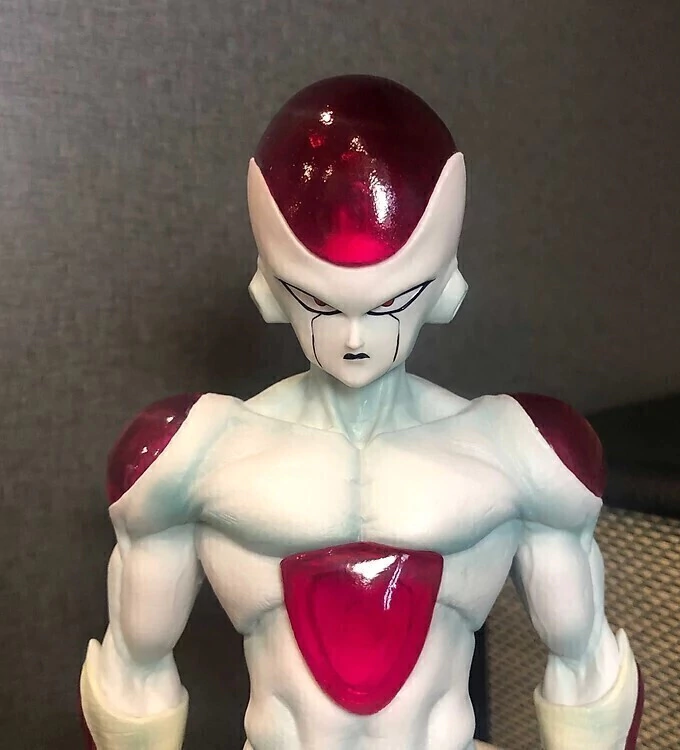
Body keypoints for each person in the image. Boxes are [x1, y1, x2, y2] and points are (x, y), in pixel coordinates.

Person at [80, 75, 643, 750]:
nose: (354, 337)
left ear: (443, 286)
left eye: (388, 306)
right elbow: (133, 673)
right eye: (318, 303)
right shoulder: (190, 455)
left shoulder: (522, 452)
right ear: (270, 287)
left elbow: (585, 670)